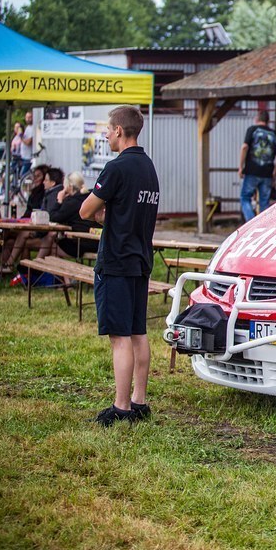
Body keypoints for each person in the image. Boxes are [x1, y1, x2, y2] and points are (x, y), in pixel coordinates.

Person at [80, 105, 160, 427]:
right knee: (138, 331)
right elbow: (131, 211)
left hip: (116, 261)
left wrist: (104, 214)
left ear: (118, 130)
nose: (105, 135)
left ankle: (121, 406)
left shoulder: (116, 168)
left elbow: (85, 210)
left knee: (120, 337)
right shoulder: (148, 167)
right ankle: (139, 401)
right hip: (141, 259)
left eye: (107, 129)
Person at [36, 172, 101, 259]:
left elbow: (53, 217)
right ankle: (39, 265)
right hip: (95, 242)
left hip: (80, 243)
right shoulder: (88, 197)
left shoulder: (73, 201)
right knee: (52, 242)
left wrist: (59, 200)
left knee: (51, 245)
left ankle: (36, 265)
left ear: (69, 187)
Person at [238, 110, 276, 222]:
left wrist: (241, 167)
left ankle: (250, 222)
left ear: (257, 119)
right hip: (267, 173)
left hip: (252, 171)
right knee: (264, 202)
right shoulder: (274, 134)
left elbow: (244, 147)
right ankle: (263, 226)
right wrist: (274, 175)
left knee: (245, 198)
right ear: (268, 121)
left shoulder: (252, 130)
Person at [19, 111, 34, 177]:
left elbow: (28, 142)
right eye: (26, 117)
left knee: (23, 175)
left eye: (30, 117)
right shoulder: (27, 127)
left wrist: (21, 137)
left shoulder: (32, 128)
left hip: (28, 157)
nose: (28, 119)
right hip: (23, 156)